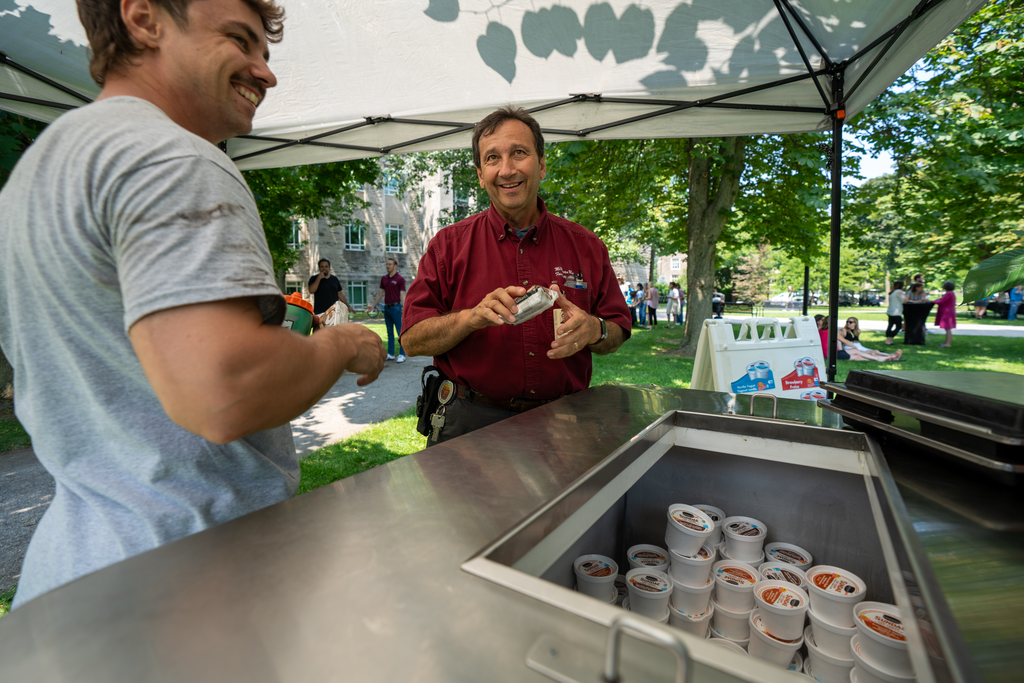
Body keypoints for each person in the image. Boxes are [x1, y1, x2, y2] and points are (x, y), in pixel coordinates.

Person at [0, 0, 387, 609]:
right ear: (144, 18)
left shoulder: (37, 171)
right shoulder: (174, 156)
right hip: (190, 581)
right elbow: (227, 390)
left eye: (266, 51)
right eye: (239, 39)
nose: (266, 72)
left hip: (72, 579)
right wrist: (343, 341)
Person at [400, 106, 630, 443]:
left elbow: (618, 330)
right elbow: (411, 339)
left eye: (518, 153)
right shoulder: (447, 246)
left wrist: (594, 329)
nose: (506, 170)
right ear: (480, 175)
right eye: (492, 158)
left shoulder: (587, 246)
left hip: (565, 424)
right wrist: (471, 318)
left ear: (541, 165)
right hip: (469, 426)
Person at [368, 256, 407, 362]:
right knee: (389, 332)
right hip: (387, 308)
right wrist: (372, 305)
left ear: (395, 266)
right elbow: (380, 294)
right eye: (386, 264)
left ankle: (402, 354)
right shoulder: (384, 279)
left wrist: (406, 308)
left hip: (396, 308)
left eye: (389, 264)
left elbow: (402, 295)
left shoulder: (400, 279)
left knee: (400, 332)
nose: (387, 266)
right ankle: (390, 353)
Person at [837, 317, 902, 361]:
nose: (848, 323)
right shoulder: (844, 330)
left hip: (858, 345)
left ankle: (889, 356)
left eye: (850, 322)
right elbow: (843, 341)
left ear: (855, 323)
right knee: (869, 352)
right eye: (847, 322)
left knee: (875, 351)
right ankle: (889, 356)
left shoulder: (858, 331)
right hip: (849, 346)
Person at [934, 281, 957, 347]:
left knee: (947, 328)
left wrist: (933, 301)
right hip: (949, 311)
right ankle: (946, 342)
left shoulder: (949, 293)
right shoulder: (950, 293)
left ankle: (948, 343)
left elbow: (942, 301)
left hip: (947, 312)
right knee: (947, 328)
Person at [885, 280, 906, 345]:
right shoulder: (899, 292)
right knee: (898, 326)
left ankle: (888, 339)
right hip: (896, 312)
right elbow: (904, 301)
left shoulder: (892, 292)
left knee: (890, 325)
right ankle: (889, 339)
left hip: (890, 311)